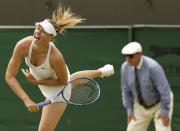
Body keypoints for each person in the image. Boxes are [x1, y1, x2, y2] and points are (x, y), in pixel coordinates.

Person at [5, 6, 114, 131]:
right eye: (37, 28)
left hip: (58, 89)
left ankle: (101, 71)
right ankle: (102, 71)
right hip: (54, 80)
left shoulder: (56, 58)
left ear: (51, 37)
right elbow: (9, 76)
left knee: (45, 129)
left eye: (43, 31)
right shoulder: (23, 45)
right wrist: (26, 100)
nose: (37, 32)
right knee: (72, 80)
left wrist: (37, 81)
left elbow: (62, 82)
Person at [120, 42, 173, 131]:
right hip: (139, 106)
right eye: (125, 56)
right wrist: (129, 110)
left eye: (131, 56)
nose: (128, 59)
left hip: (160, 104)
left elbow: (165, 91)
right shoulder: (125, 67)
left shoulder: (153, 67)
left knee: (164, 129)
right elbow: (126, 91)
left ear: (140, 55)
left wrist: (165, 111)